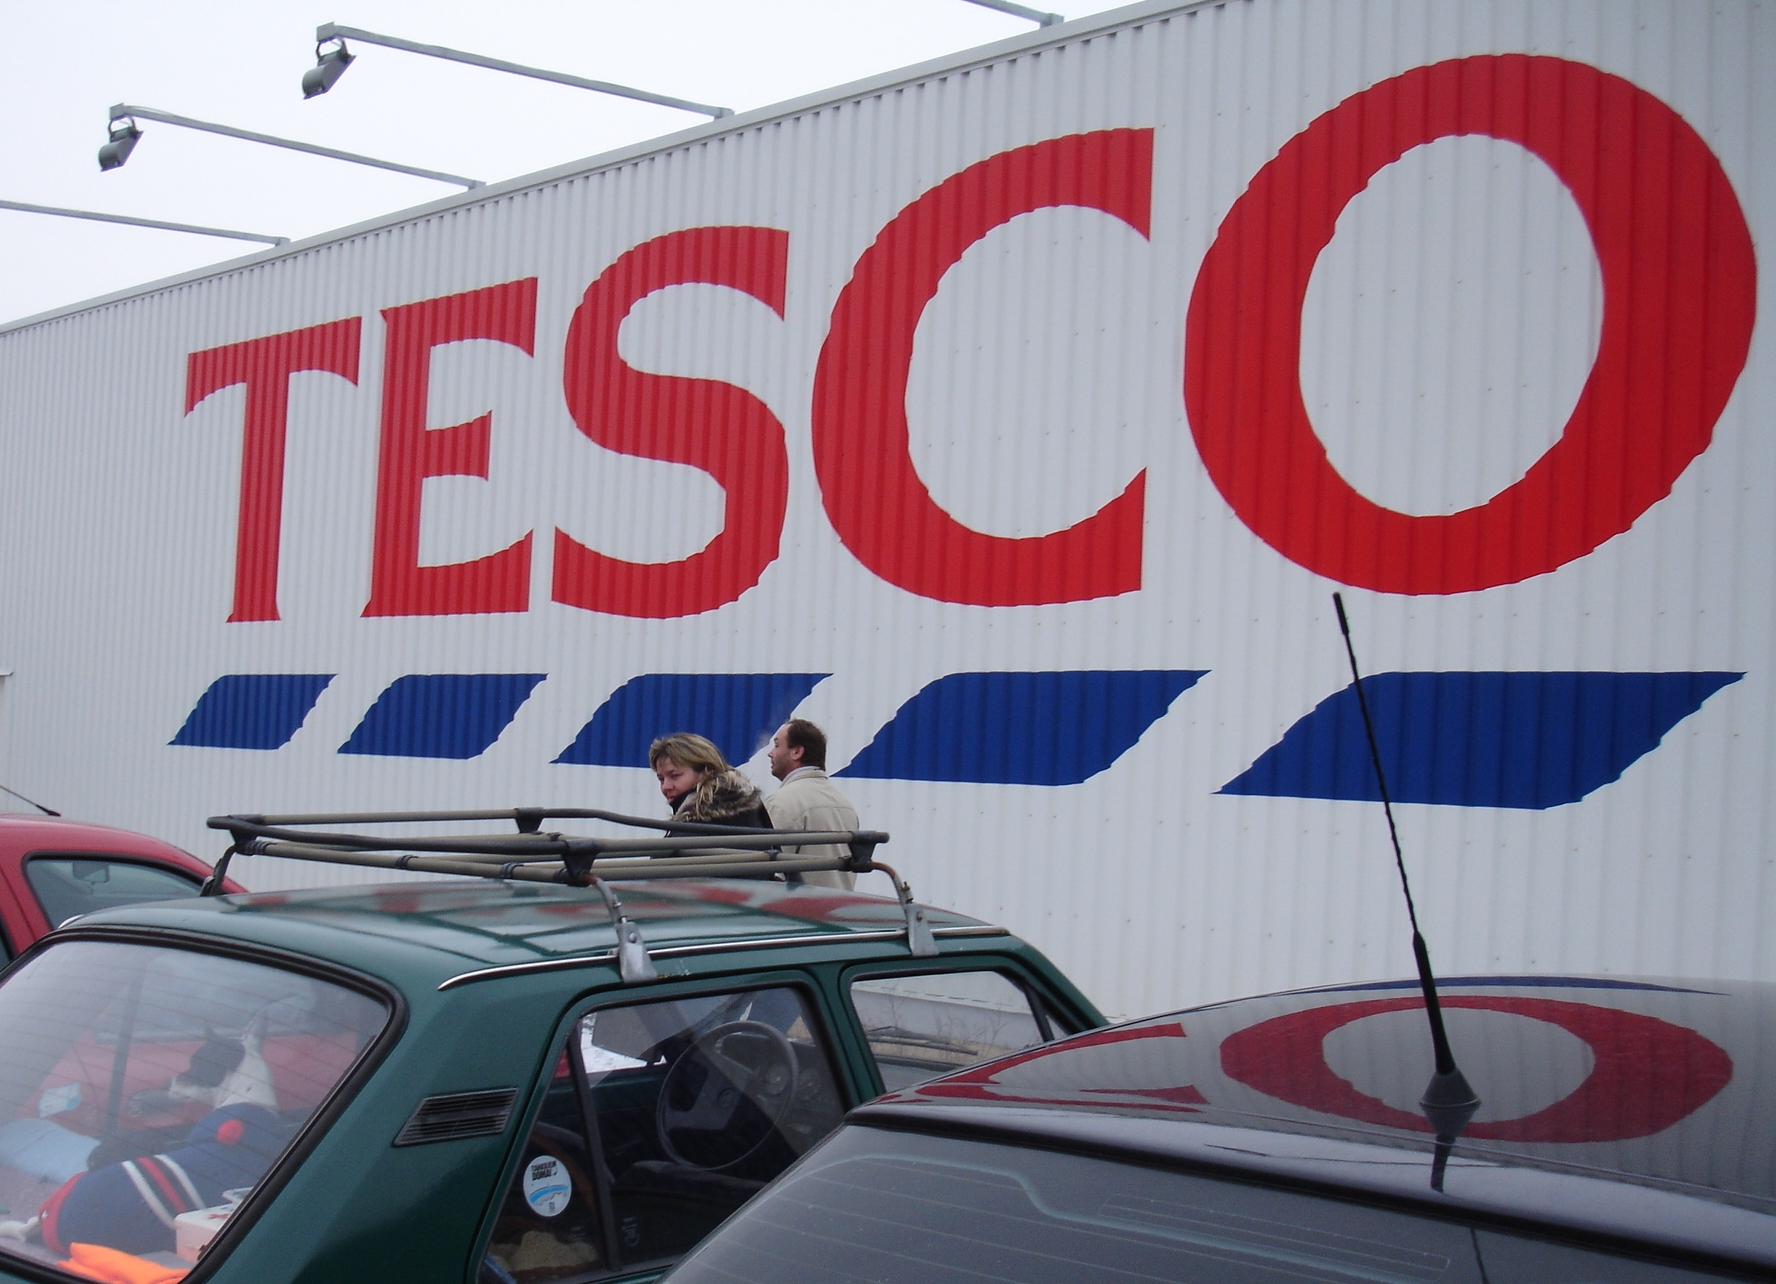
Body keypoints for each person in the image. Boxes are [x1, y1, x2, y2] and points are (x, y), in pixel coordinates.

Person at [765, 720, 860, 890]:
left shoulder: (781, 802)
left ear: (797, 752)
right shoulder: (845, 804)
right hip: (840, 905)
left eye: (777, 745)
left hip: (797, 906)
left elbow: (766, 874)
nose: (770, 753)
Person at [649, 732, 771, 828]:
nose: (666, 787)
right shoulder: (750, 808)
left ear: (706, 771)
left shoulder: (700, 823)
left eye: (675, 776)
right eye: (661, 779)